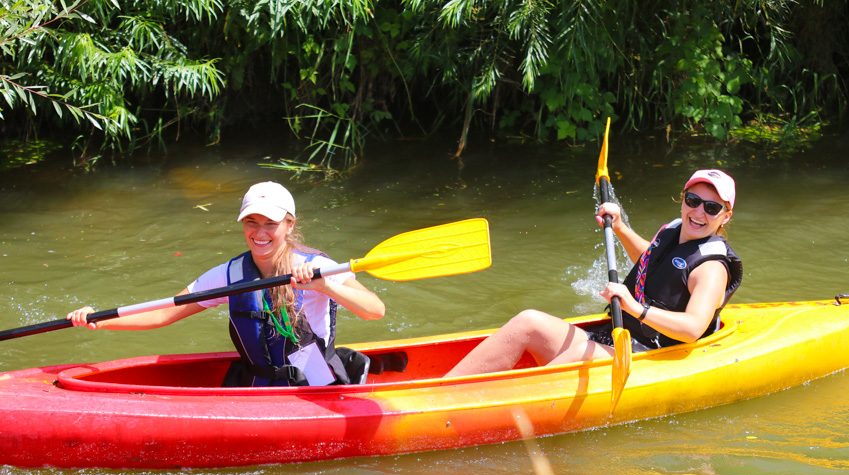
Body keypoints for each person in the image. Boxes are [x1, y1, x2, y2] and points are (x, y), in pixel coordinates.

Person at [68, 181, 386, 387]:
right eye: (252, 222)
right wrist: (99, 319)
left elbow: (375, 311)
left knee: (302, 357)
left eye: (270, 224)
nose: (259, 233)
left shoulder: (317, 267)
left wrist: (325, 287)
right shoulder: (228, 275)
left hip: (312, 373)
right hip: (256, 379)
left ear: (289, 225)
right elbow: (162, 313)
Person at [445, 169, 743, 377]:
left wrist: (635, 308)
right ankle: (445, 392)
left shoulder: (712, 269)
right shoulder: (675, 230)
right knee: (529, 321)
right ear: (683, 199)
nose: (699, 212)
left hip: (652, 355)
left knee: (577, 356)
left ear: (725, 216)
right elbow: (651, 263)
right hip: (617, 338)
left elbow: (692, 329)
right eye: (692, 201)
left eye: (712, 207)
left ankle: (502, 410)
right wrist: (621, 227)